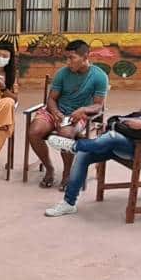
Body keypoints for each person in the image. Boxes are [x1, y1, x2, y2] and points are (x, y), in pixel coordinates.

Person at [43, 55, 141, 217]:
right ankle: (69, 203)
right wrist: (119, 122)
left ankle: (75, 145)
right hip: (132, 140)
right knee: (85, 154)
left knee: (111, 138)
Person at [26, 40, 109, 190]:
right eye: (67, 58)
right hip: (55, 111)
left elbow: (98, 105)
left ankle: (67, 173)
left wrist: (83, 109)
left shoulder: (99, 76)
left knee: (65, 135)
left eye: (72, 58)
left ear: (85, 57)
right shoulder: (62, 73)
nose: (68, 62)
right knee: (34, 132)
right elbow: (51, 99)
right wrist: (56, 113)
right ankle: (49, 168)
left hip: (77, 115)